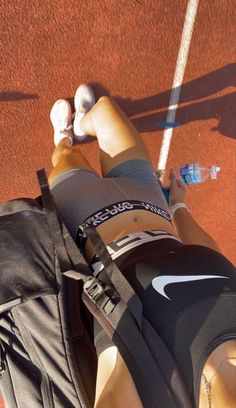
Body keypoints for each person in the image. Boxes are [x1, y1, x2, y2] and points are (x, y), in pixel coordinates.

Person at [49, 84, 236, 408]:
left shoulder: (162, 394)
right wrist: (178, 206)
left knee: (67, 157)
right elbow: (211, 255)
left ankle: (63, 138)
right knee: (105, 108)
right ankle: (82, 124)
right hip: (149, 200)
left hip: (87, 221)